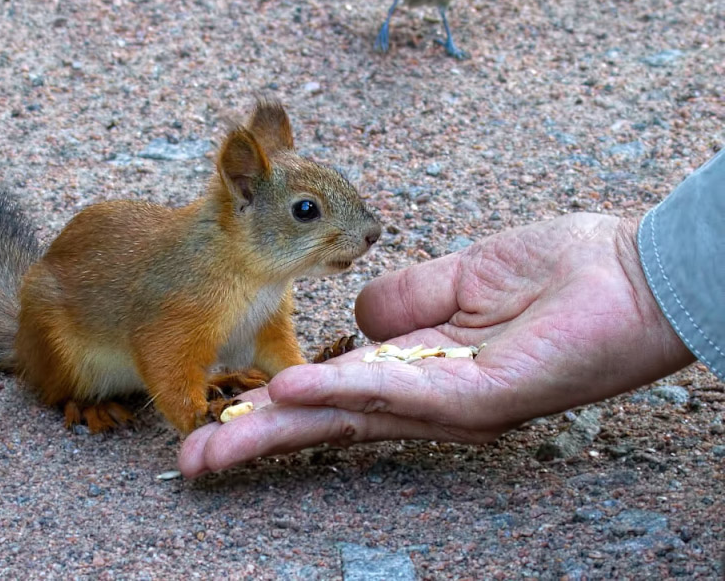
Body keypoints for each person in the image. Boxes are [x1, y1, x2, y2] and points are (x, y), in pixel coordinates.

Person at [178, 150, 724, 477]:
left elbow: (275, 345)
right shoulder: (203, 279)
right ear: (244, 197)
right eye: (306, 214)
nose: (370, 236)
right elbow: (165, 342)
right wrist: (651, 275)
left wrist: (654, 279)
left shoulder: (271, 286)